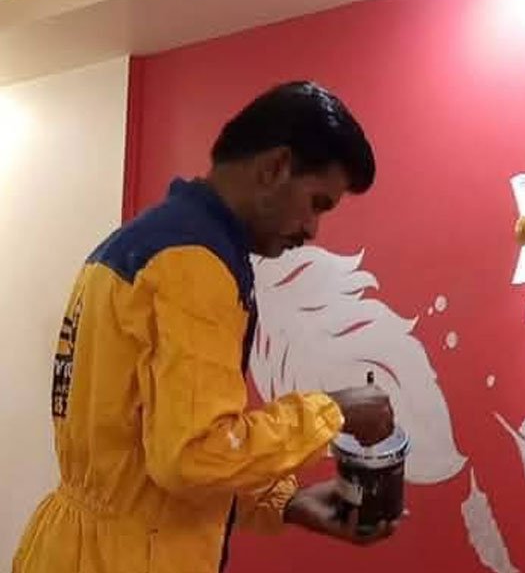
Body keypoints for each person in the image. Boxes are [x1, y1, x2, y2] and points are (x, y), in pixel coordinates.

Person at [13, 81, 397, 573]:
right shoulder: (196, 263)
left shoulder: (137, 245)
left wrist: (286, 502)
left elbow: (148, 456)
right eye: (318, 202)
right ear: (276, 167)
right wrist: (333, 412)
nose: (312, 229)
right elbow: (193, 455)